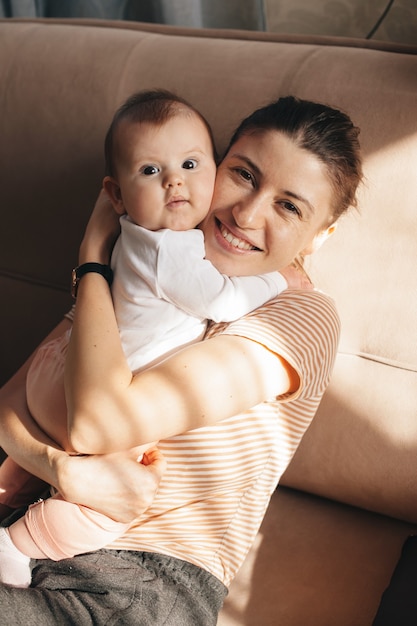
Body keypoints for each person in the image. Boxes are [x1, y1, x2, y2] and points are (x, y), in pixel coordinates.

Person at [0, 94, 362, 624]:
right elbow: (10, 400)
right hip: (26, 531)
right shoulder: (149, 262)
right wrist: (56, 469)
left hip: (135, 585)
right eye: (243, 175)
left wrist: (91, 258)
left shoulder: (301, 315)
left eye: (290, 206)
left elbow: (99, 427)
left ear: (320, 236)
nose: (247, 213)